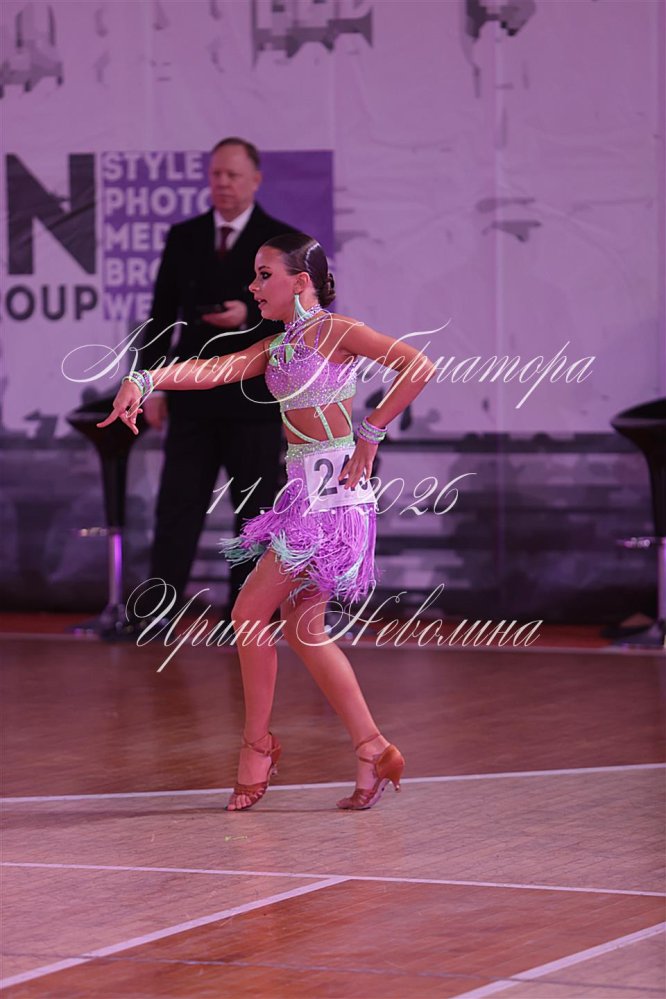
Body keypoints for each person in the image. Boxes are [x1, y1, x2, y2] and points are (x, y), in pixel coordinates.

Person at [100, 232, 436, 812]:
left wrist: (371, 431)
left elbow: (418, 364)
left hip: (331, 502)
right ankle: (372, 748)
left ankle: (258, 746)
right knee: (304, 629)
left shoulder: (335, 331)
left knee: (248, 613)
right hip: (307, 496)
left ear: (300, 281)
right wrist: (145, 379)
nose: (252, 287)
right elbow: (216, 369)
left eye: (263, 275)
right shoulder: (277, 346)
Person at [138, 137, 296, 620]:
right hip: (192, 394)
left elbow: (301, 316)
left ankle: (246, 618)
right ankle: (156, 614)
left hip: (255, 399)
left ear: (255, 180)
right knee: (177, 505)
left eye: (232, 175)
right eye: (215, 175)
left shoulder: (281, 240)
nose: (222, 183)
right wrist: (151, 384)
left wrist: (248, 312)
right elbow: (160, 314)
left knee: (254, 513)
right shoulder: (184, 236)